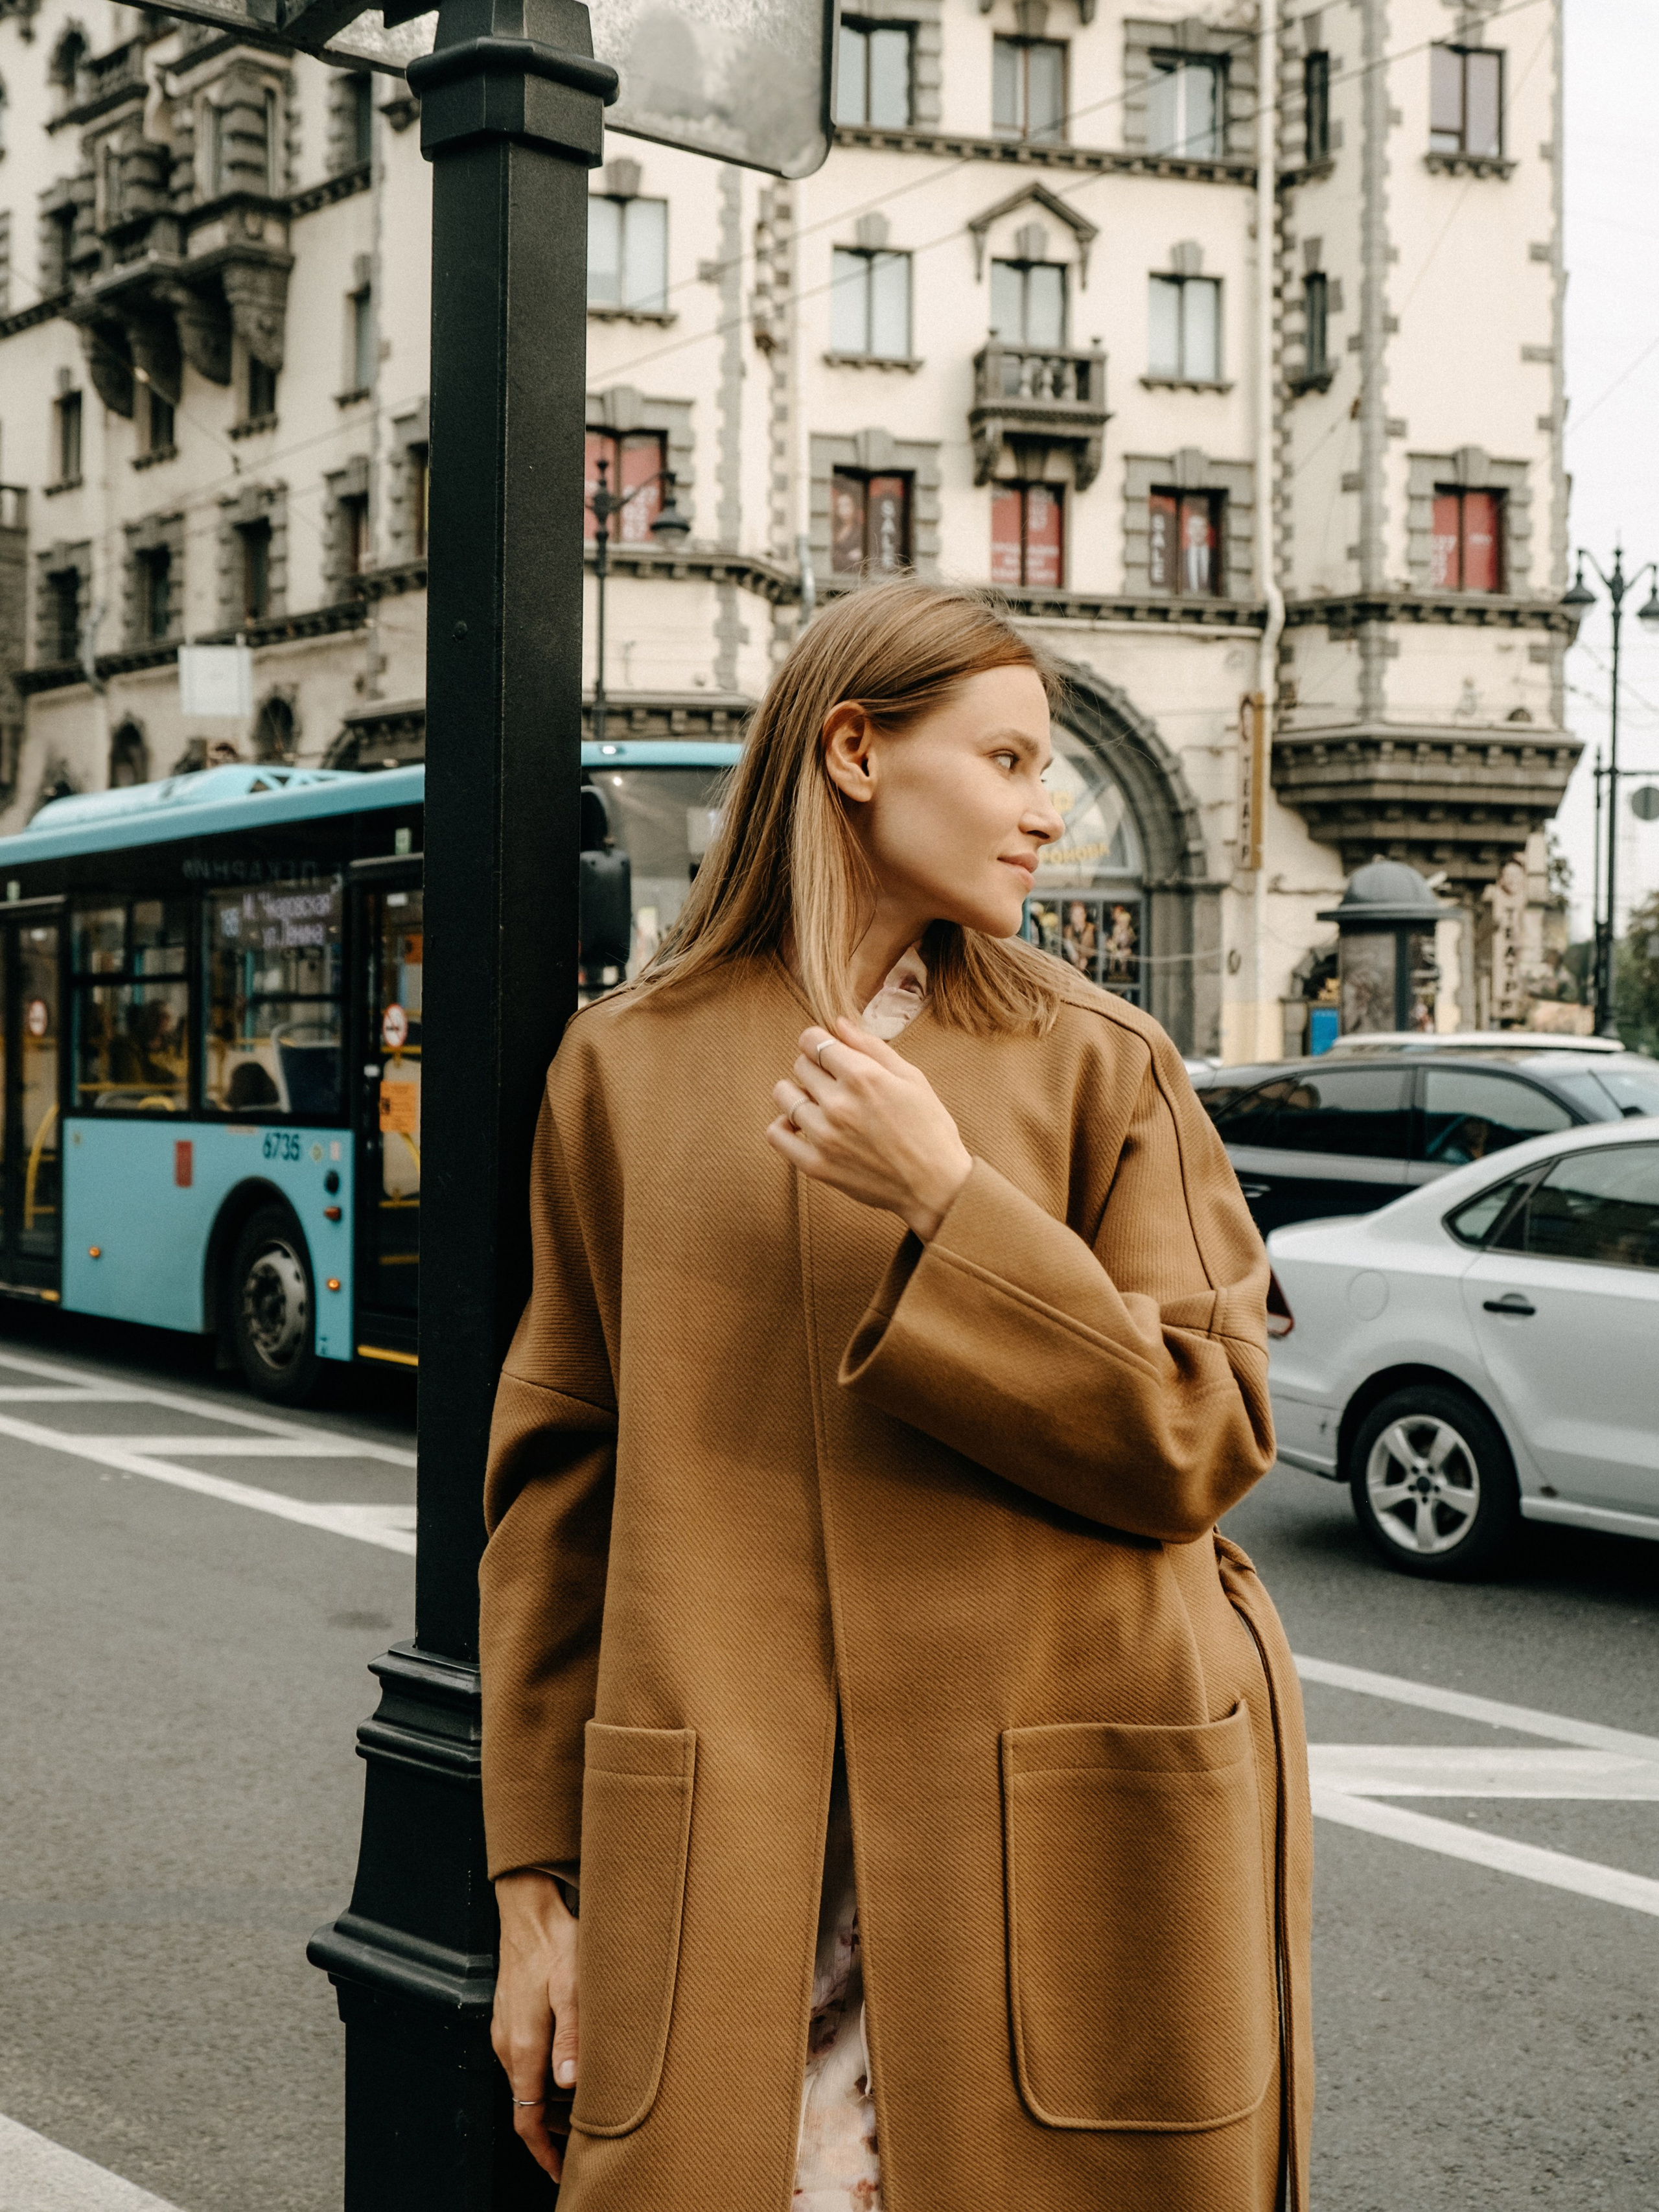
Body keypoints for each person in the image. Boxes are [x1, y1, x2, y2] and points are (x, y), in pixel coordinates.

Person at [481, 579, 1313, 2212]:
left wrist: (951, 1203)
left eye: (1042, 769)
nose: (1047, 811)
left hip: (1048, 1840)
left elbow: (1204, 1435)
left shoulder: (1098, 1061)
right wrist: (531, 1886)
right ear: (855, 752)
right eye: (1006, 761)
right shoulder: (625, 1069)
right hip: (734, 1860)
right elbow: (556, 1488)